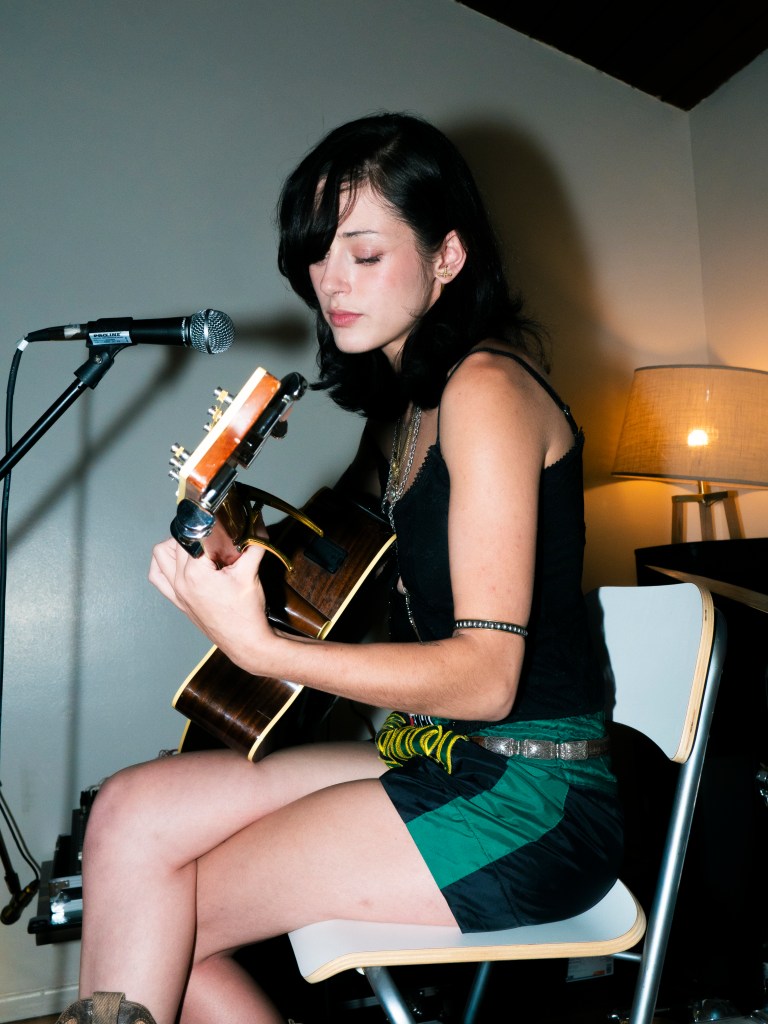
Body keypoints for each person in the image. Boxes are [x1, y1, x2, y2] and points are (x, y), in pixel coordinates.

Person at [56, 112, 623, 1024]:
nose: (331, 282)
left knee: (164, 915)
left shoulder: (487, 390)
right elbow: (329, 579)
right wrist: (231, 547)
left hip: (529, 792)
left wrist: (265, 651)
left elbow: (486, 677)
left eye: (363, 253)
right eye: (317, 256)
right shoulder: (403, 416)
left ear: (447, 256)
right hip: (429, 753)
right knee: (130, 814)